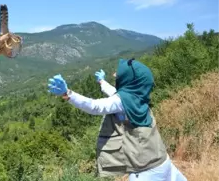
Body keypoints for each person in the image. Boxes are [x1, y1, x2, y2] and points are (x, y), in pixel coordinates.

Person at [47, 58, 187, 181]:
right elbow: (115, 93)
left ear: (129, 79)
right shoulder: (139, 96)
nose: (115, 75)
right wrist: (101, 81)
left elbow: (95, 107)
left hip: (145, 170)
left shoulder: (122, 102)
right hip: (162, 161)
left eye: (119, 75)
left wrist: (68, 94)